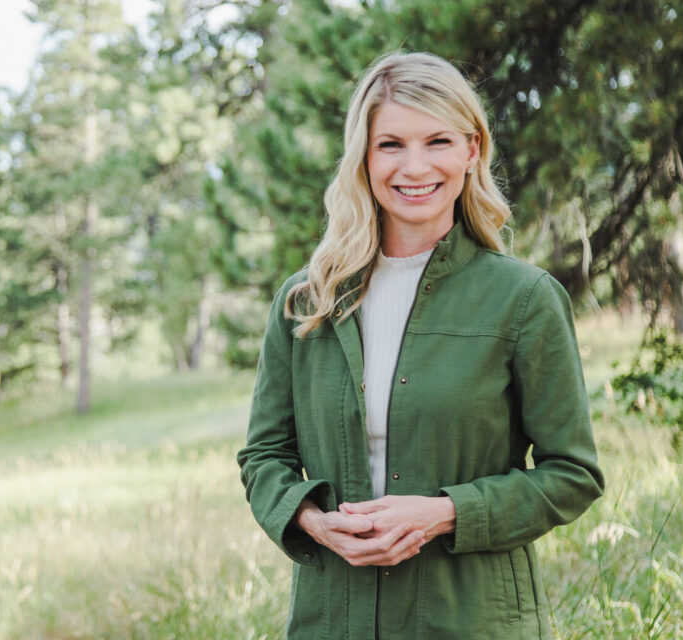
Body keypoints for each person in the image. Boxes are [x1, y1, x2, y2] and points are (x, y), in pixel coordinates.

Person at [236, 51, 605, 640]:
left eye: (437, 141)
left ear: (471, 151)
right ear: (363, 156)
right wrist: (311, 520)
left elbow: (572, 474)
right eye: (390, 145)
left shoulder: (524, 299)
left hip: (471, 620)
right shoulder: (306, 302)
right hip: (333, 619)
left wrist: (444, 513)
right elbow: (264, 458)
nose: (414, 167)